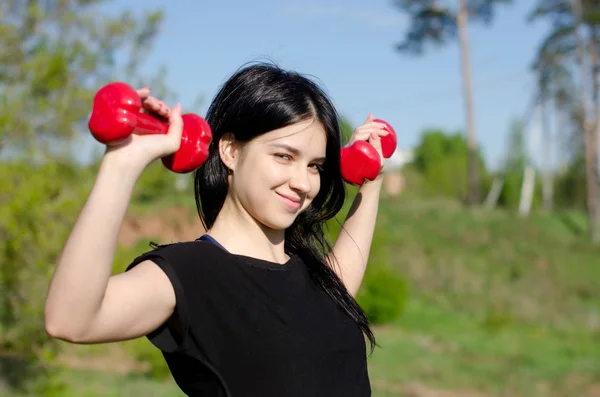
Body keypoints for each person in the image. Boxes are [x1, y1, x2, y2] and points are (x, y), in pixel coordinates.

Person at [44, 62, 391, 397]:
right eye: (284, 156)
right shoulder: (188, 273)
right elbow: (70, 320)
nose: (303, 182)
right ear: (229, 150)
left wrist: (370, 180)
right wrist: (122, 163)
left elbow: (341, 279)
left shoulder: (315, 279)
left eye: (314, 165)